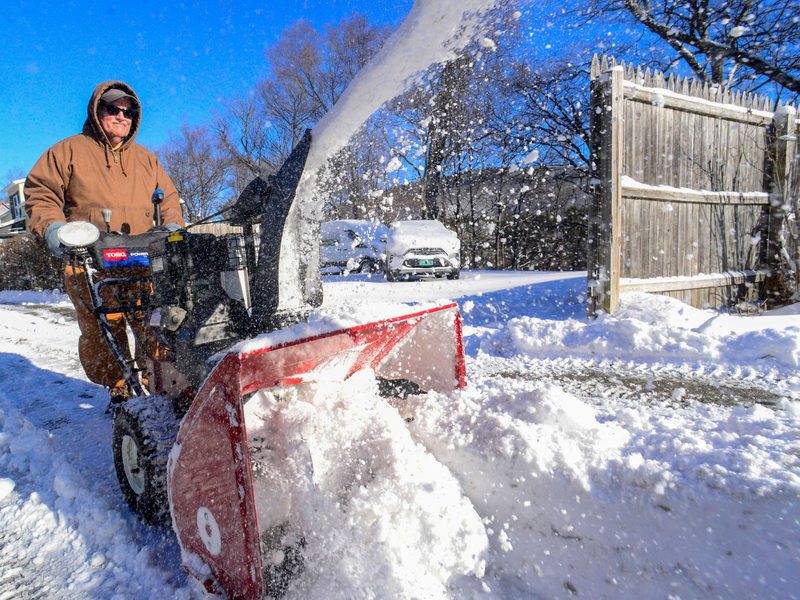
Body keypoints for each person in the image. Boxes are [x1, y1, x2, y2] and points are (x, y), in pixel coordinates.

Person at [25, 81, 185, 401]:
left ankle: (160, 384)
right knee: (103, 329)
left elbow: (169, 198)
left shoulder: (146, 159)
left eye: (128, 112)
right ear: (97, 111)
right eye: (112, 109)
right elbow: (41, 195)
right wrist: (54, 229)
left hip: (141, 256)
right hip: (90, 261)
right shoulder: (68, 151)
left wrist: (171, 227)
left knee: (153, 321)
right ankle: (120, 388)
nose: (121, 116)